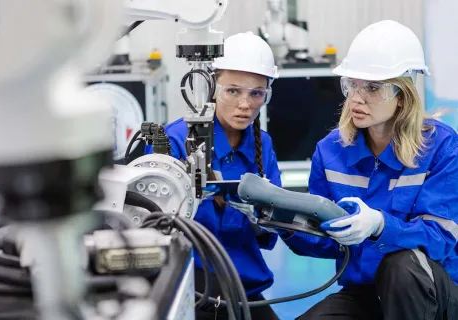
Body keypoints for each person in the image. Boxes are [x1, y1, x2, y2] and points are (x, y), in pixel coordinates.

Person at [281, 20, 458, 320]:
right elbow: (325, 244)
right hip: (365, 292)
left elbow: (440, 239)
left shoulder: (441, 147)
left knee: (400, 266)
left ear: (403, 95)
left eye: (373, 88)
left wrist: (380, 225)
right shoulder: (330, 151)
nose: (356, 99)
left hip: (430, 290)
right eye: (351, 84)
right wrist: (279, 220)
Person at [144, 32, 282, 319]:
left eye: (256, 93)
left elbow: (272, 228)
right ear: (212, 87)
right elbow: (150, 227)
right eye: (233, 91)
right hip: (189, 288)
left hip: (244, 290)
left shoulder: (262, 145)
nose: (245, 104)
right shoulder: (174, 142)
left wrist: (260, 215)